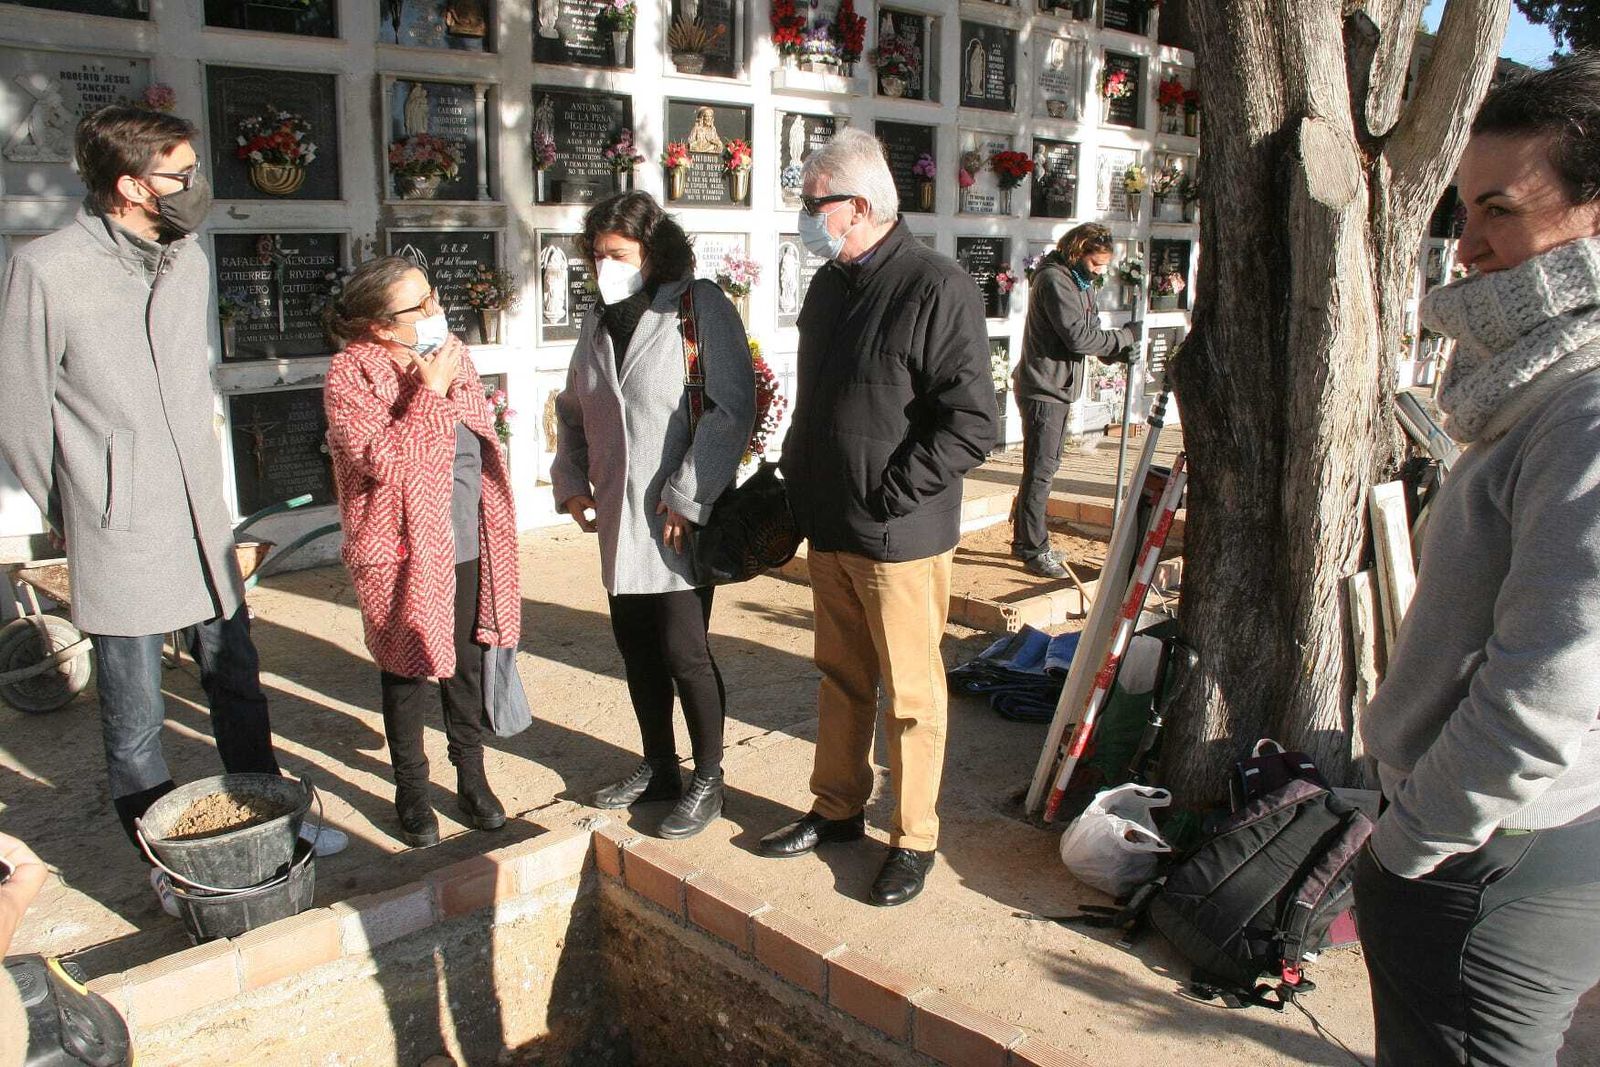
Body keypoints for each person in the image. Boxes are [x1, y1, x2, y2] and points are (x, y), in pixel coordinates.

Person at [0, 106, 346, 911]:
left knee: (238, 681)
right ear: (129, 185)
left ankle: (273, 823)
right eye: (179, 174)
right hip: (120, 525)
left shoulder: (183, 258)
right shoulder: (45, 269)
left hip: (200, 516)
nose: (196, 188)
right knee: (135, 716)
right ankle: (170, 864)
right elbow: (17, 415)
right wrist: (86, 503)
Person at [1354, 54, 1600, 1067]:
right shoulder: (1537, 381)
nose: (1468, 245)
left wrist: (1409, 843)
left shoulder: (1582, 409)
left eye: (1498, 209)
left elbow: (1547, 683)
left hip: (1488, 853)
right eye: (1463, 210)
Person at [758, 128, 996, 906]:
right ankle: (836, 810)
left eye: (811, 203)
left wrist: (890, 493)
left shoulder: (936, 287)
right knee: (840, 679)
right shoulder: (831, 285)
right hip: (829, 527)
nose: (804, 217)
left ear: (857, 206)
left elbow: (970, 422)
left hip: (898, 537)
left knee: (914, 697)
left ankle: (913, 836)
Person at [551, 192, 754, 840]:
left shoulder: (700, 307)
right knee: (637, 649)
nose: (604, 264)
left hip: (675, 520)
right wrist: (570, 476)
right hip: (618, 516)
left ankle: (709, 778)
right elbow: (573, 404)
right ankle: (659, 765)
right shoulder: (599, 316)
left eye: (618, 253)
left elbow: (731, 409)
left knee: (684, 651)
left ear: (651, 250)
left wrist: (689, 496)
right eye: (596, 254)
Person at [323, 257, 523, 848]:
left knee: (464, 660)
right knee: (406, 668)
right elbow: (385, 462)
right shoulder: (349, 374)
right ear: (382, 326)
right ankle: (411, 789)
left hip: (463, 534)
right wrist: (430, 393)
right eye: (420, 306)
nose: (436, 311)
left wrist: (445, 383)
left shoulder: (449, 353)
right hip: (398, 546)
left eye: (432, 297)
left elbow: (474, 439)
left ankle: (472, 776)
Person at [1011, 223, 1139, 578]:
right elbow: (1077, 338)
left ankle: (1025, 534)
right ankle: (1032, 548)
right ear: (1078, 252)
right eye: (1097, 263)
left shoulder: (1081, 284)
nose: (1102, 271)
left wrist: (1118, 353)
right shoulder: (1055, 280)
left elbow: (1092, 332)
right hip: (1043, 389)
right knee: (1041, 470)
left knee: (1044, 467)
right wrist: (1126, 337)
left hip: (1059, 388)